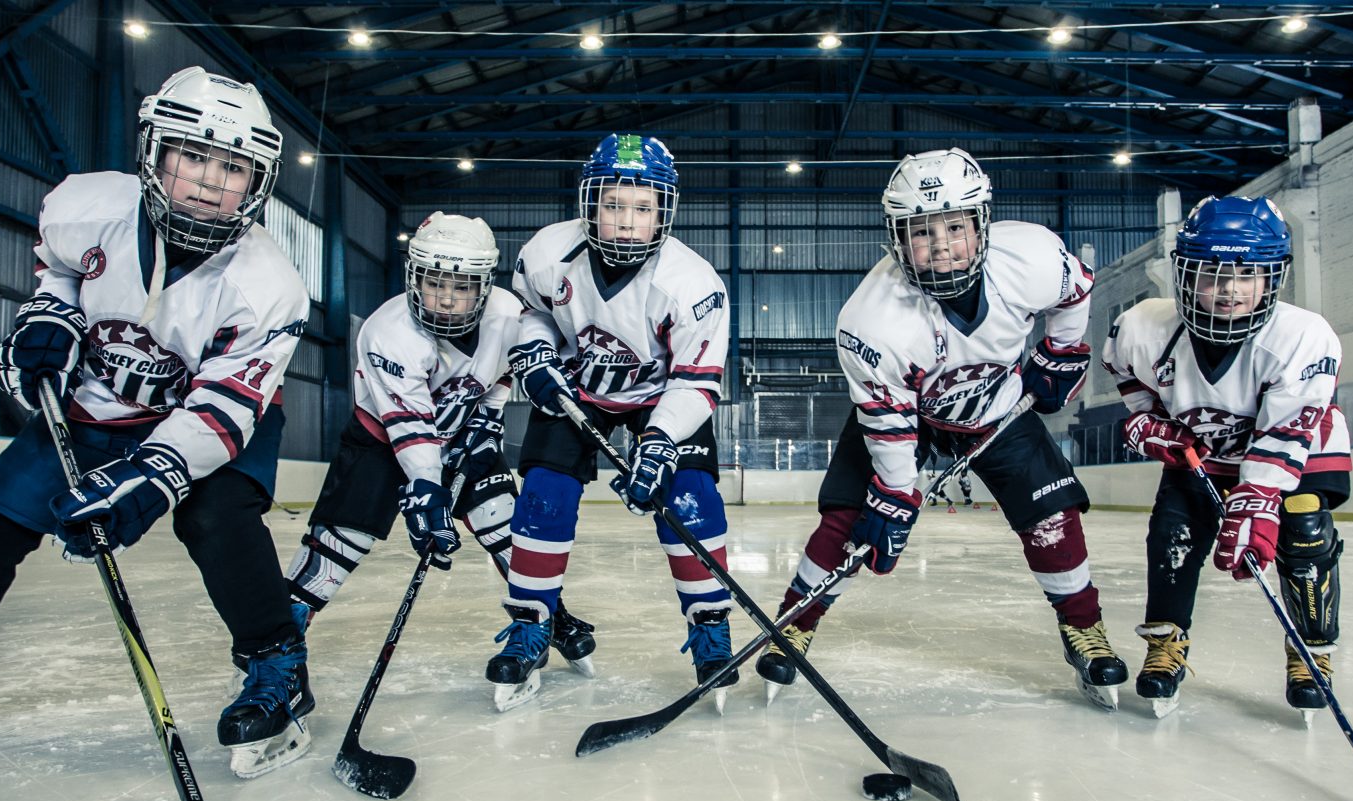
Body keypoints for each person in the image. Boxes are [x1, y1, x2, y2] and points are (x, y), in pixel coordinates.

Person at [0, 67, 314, 778]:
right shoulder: (85, 207)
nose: (212, 182)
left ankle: (280, 669)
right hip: (97, 402)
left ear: (258, 181)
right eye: (193, 156)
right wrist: (50, 313)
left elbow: (223, 406)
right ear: (154, 153)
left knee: (220, 523)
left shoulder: (268, 285)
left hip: (216, 419)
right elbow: (59, 270)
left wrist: (151, 479)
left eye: (234, 167)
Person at [755, 147, 1130, 709]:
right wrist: (894, 496)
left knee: (1052, 517)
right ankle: (796, 622)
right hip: (909, 418)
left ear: (980, 224)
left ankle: (1083, 628)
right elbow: (887, 427)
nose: (942, 244)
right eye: (922, 231)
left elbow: (1074, 291)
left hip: (998, 406)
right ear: (897, 238)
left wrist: (1063, 349)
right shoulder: (871, 319)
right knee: (848, 518)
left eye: (955, 226)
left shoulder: (1028, 255)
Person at [283, 211, 595, 670]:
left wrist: (488, 420)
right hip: (382, 442)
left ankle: (546, 616)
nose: (447, 299)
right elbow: (409, 425)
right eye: (434, 283)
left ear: (484, 285)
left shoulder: (510, 314)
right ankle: (277, 646)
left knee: (508, 531)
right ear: (414, 277)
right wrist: (427, 491)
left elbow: (502, 372)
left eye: (463, 286)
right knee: (337, 544)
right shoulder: (387, 332)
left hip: (463, 432)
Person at [492, 133, 735, 710]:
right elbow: (531, 314)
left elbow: (697, 382)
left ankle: (710, 629)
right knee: (544, 496)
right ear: (590, 203)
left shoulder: (693, 284)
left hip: (663, 396)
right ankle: (532, 626)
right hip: (577, 389)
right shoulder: (549, 252)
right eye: (614, 204)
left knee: (693, 499)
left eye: (644, 208)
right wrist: (534, 353)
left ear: (664, 213)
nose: (627, 222)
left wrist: (658, 446)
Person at [1100, 195, 1352, 720]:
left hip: (1298, 451)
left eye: (1246, 274)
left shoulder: (1302, 336)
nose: (1229, 289)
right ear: (1185, 275)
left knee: (1302, 530)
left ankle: (1312, 654)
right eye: (1212, 273)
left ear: (1272, 278)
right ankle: (1165, 642)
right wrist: (1145, 419)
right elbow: (1130, 378)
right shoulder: (1143, 327)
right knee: (1173, 533)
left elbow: (1285, 430)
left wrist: (1258, 498)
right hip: (1204, 453)